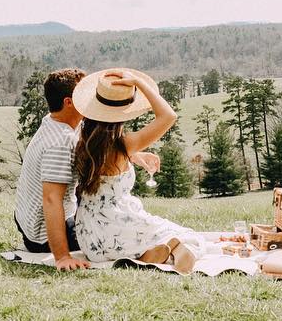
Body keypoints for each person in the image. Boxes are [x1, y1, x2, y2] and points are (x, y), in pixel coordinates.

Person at [13, 69, 161, 272]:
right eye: (82, 94)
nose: (90, 99)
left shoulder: (57, 122)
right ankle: (143, 253)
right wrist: (62, 257)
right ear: (68, 102)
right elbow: (51, 199)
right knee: (112, 230)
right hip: (42, 234)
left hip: (28, 220)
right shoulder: (60, 143)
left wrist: (135, 155)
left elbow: (96, 147)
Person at [71, 68, 206, 274]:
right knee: (191, 236)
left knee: (153, 231)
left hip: (90, 237)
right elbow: (168, 116)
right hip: (116, 221)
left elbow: (106, 157)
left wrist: (136, 155)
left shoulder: (84, 140)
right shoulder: (125, 144)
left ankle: (144, 256)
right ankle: (175, 248)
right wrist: (140, 84)